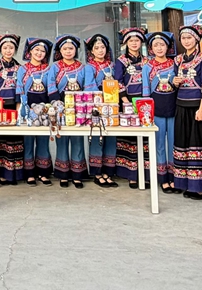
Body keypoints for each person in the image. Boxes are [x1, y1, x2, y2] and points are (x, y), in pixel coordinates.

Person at [171, 25, 202, 199]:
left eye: (189, 37)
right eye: (183, 38)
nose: (186, 41)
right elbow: (173, 82)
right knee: (182, 142)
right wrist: (175, 82)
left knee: (197, 144)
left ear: (196, 39)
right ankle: (183, 182)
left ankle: (199, 186)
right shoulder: (178, 59)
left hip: (196, 105)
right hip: (181, 103)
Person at [48, 35, 90, 189]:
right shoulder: (55, 67)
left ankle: (78, 174)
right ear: (60, 50)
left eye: (71, 48)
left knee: (78, 140)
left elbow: (86, 87)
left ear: (76, 50)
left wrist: (85, 107)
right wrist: (58, 104)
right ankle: (62, 173)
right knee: (62, 139)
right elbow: (51, 85)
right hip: (60, 108)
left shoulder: (82, 67)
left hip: (78, 109)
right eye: (64, 49)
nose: (68, 51)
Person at [0, 34, 24, 185]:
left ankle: (12, 175)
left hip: (13, 106)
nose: (8, 51)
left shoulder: (19, 67)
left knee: (13, 141)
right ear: (0, 49)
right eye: (5, 48)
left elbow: (20, 90)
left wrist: (19, 108)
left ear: (15, 50)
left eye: (11, 48)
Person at [16, 38, 55, 186]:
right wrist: (20, 111)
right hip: (27, 109)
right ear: (30, 51)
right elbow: (19, 89)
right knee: (28, 141)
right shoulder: (23, 69)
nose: (39, 53)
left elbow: (51, 89)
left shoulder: (48, 69)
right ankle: (29, 173)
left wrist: (51, 108)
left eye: (42, 51)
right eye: (36, 50)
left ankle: (43, 173)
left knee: (43, 141)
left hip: (44, 109)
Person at [143, 31, 178, 193]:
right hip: (156, 110)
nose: (159, 48)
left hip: (173, 108)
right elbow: (145, 92)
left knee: (173, 144)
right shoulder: (147, 67)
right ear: (151, 48)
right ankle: (162, 177)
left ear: (168, 47)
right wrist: (146, 113)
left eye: (162, 45)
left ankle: (174, 177)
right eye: (155, 45)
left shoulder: (175, 64)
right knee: (158, 145)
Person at [114, 27, 147, 188]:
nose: (134, 43)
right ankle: (131, 175)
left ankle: (145, 173)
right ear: (126, 43)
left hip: (145, 101)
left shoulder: (147, 60)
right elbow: (118, 81)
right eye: (131, 41)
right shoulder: (121, 60)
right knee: (130, 139)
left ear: (141, 43)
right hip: (128, 100)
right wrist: (126, 101)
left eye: (137, 40)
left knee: (146, 138)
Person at [84, 34, 118, 188]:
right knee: (97, 137)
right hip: (97, 108)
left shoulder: (112, 65)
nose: (100, 50)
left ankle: (108, 172)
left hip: (112, 106)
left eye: (102, 47)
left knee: (111, 137)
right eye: (96, 48)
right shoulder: (89, 67)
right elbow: (89, 87)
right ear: (91, 51)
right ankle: (97, 173)